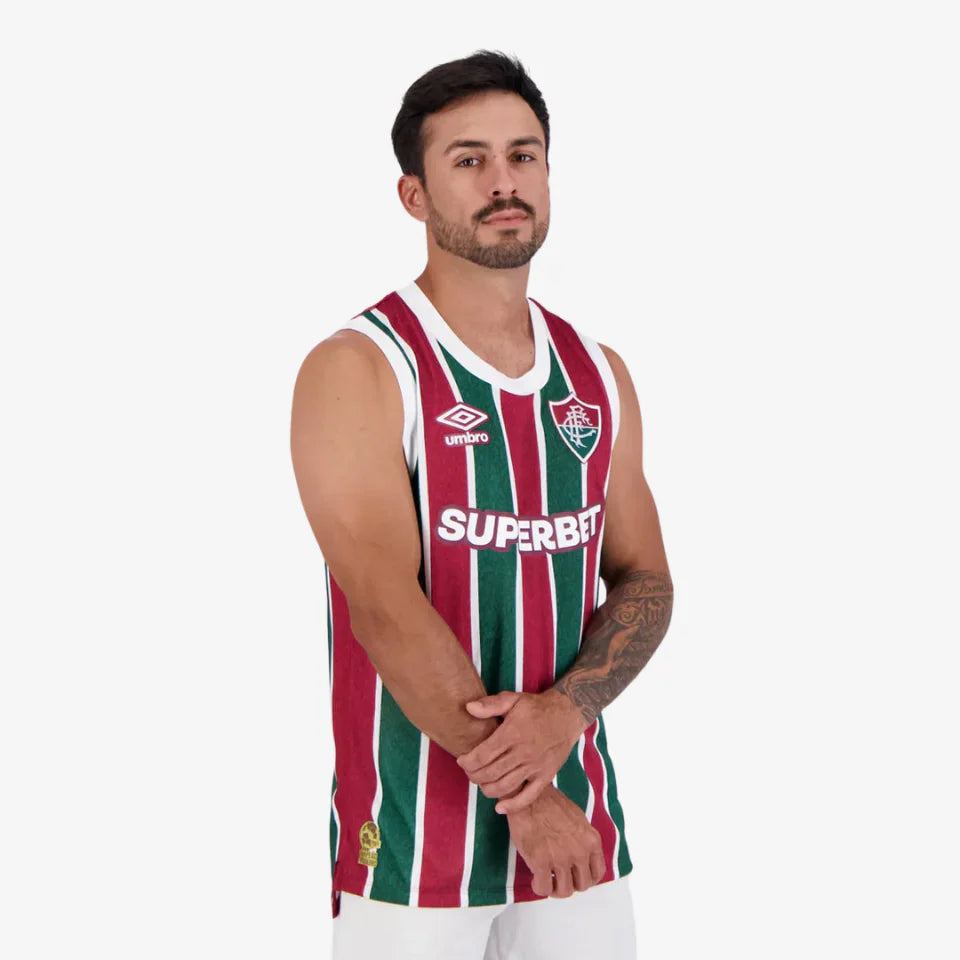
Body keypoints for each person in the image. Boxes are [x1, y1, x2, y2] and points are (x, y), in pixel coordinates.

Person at [290, 49, 674, 960]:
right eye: (469, 160)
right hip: (411, 841)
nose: (504, 182)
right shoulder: (359, 367)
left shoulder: (598, 373)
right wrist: (529, 801)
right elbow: (385, 609)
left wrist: (564, 714)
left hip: (581, 832)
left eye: (522, 155)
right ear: (413, 195)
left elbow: (646, 581)